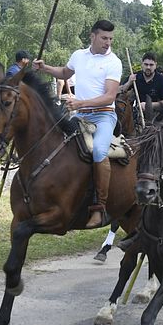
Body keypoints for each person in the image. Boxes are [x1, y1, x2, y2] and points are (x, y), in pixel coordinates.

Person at [34, 19, 121, 229]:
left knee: (99, 151)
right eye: (104, 38)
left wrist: (80, 102)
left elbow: (109, 97)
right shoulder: (78, 56)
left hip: (104, 116)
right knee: (56, 144)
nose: (107, 42)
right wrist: (45, 68)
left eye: (110, 39)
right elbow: (65, 73)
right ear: (92, 36)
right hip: (80, 116)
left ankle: (99, 209)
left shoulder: (114, 62)